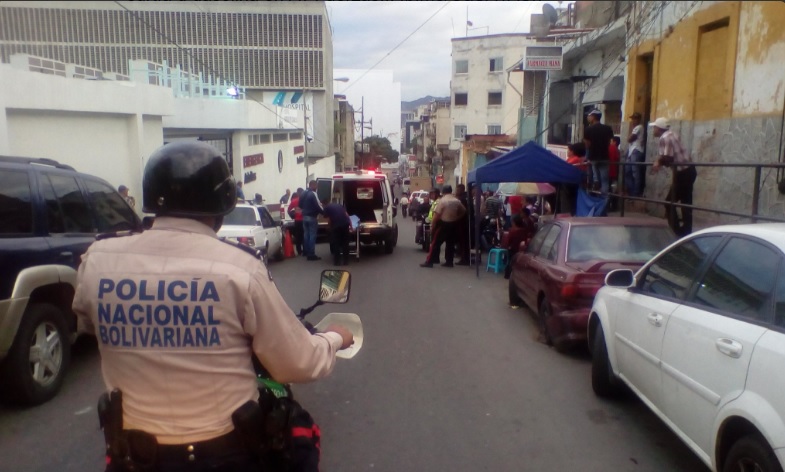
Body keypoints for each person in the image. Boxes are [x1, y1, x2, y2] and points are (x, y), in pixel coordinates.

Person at [72, 141, 353, 472]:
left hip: (130, 456)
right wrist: (334, 338)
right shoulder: (239, 268)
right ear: (222, 206)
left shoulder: (98, 261)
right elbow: (298, 364)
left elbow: (89, 323)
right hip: (221, 454)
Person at [650, 117, 697, 237]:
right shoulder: (672, 134)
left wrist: (658, 162)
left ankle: (677, 231)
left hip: (682, 173)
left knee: (669, 202)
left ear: (659, 129)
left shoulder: (664, 138)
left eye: (654, 127)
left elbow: (668, 158)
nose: (653, 130)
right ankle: (686, 231)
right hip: (689, 170)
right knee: (686, 202)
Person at [420, 185, 465, 268]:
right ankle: (449, 261)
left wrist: (432, 227)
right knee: (450, 243)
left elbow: (436, 215)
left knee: (435, 243)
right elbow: (463, 211)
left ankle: (429, 261)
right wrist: (457, 217)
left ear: (443, 192)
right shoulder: (456, 200)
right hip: (453, 224)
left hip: (443, 224)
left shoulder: (443, 201)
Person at [583, 109, 614, 194]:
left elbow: (587, 145)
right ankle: (604, 200)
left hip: (593, 157)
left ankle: (594, 197)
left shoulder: (588, 129)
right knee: (605, 180)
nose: (588, 117)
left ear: (593, 117)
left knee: (594, 178)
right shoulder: (608, 128)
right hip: (604, 157)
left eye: (589, 116)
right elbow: (610, 142)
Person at [504, 213, 535, 279]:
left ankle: (508, 273)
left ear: (513, 223)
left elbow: (508, 242)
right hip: (522, 250)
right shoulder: (524, 231)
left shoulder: (513, 232)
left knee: (508, 257)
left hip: (513, 250)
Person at [299, 180, 324, 261]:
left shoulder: (303, 193)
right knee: (312, 235)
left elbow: (300, 204)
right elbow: (318, 205)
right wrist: (324, 213)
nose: (317, 188)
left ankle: (305, 252)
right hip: (312, 217)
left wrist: (305, 209)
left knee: (306, 235)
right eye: (316, 186)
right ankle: (311, 254)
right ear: (313, 185)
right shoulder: (313, 194)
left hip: (304, 216)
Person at [323, 196, 351, 266]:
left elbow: (329, 219)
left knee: (336, 244)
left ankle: (337, 262)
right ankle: (346, 261)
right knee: (345, 243)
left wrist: (328, 227)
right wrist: (351, 226)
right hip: (345, 224)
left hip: (336, 226)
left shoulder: (326, 207)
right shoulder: (339, 205)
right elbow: (347, 215)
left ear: (323, 204)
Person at [626, 112, 646, 197]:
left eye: (635, 119)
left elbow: (630, 139)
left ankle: (636, 192)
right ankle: (632, 191)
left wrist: (629, 136)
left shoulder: (639, 127)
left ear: (638, 119)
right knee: (627, 172)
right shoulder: (636, 127)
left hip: (636, 150)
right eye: (633, 119)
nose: (633, 121)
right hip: (632, 151)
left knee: (635, 172)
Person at [288, 188, 304, 255]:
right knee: (304, 235)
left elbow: (288, 210)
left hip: (297, 220)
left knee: (298, 236)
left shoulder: (294, 201)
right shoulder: (305, 200)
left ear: (297, 193)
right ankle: (306, 250)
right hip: (304, 220)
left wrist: (292, 215)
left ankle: (299, 251)